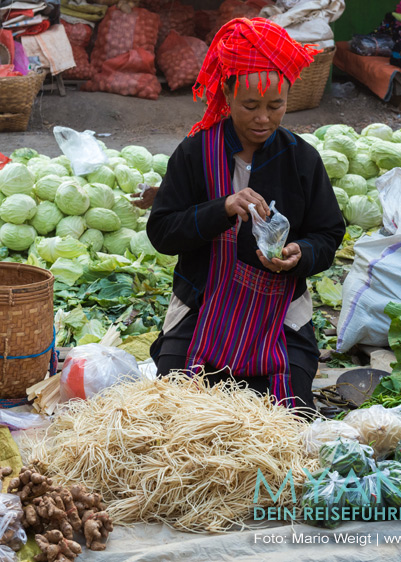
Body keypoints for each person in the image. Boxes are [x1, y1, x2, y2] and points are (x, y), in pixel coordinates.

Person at [145, 17, 345, 411]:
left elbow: (328, 233)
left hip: (281, 314)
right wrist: (221, 208)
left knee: (288, 416)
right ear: (227, 94)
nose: (264, 119)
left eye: (277, 105)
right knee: (175, 411)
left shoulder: (302, 158)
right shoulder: (195, 152)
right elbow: (163, 232)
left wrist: (299, 255)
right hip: (202, 306)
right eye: (250, 106)